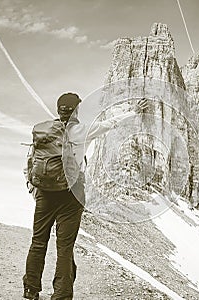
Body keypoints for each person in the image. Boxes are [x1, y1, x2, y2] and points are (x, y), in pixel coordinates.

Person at [23, 93, 147, 300]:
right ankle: (61, 295)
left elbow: (32, 160)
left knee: (38, 241)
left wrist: (34, 187)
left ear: (58, 109)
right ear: (76, 109)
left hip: (44, 193)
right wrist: (134, 110)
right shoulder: (81, 130)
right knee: (64, 247)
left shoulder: (43, 131)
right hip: (71, 194)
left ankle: (31, 289)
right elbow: (111, 123)